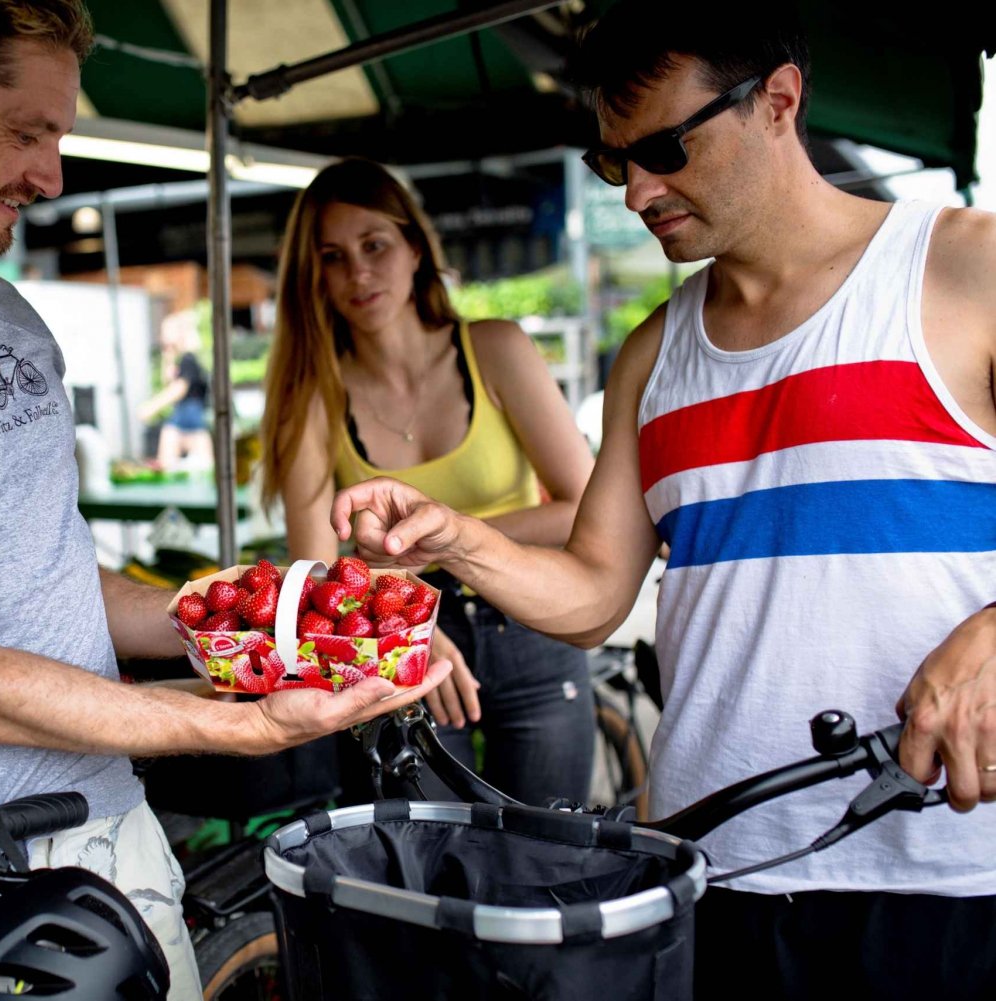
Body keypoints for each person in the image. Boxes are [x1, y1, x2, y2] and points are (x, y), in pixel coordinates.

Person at [0, 2, 449, 995]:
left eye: (57, 137)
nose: (52, 176)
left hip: (112, 836)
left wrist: (279, 625)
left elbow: (50, 572)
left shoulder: (4, 309)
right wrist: (234, 722)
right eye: (27, 132)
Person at [331, 3, 996, 998]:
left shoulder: (964, 270)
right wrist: (457, 540)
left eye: (664, 150)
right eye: (614, 162)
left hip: (947, 875)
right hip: (709, 867)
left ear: (779, 99)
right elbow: (596, 588)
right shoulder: (654, 351)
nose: (639, 190)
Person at [259, 158, 598, 806]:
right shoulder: (313, 400)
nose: (358, 272)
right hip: (399, 640)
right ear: (315, 279)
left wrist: (444, 539)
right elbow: (315, 569)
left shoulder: (495, 348)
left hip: (531, 624)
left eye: (374, 245)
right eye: (333, 257)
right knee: (427, 878)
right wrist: (407, 629)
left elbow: (583, 505)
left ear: (415, 246)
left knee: (546, 866)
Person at [138, 310, 213, 471]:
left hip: (191, 420)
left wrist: (151, 407)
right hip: (185, 420)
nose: (162, 336)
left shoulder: (189, 359)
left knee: (200, 470)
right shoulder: (182, 360)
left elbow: (179, 389)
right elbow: (169, 382)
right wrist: (168, 355)